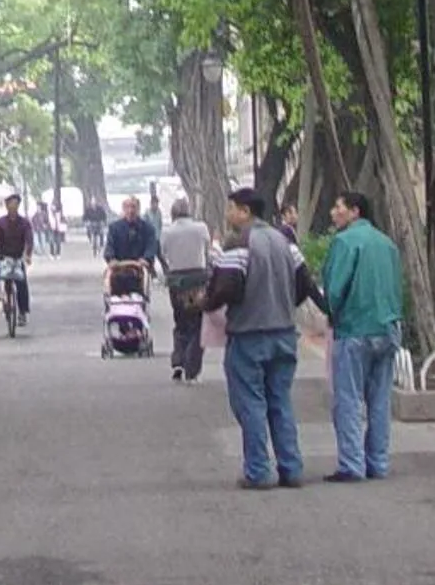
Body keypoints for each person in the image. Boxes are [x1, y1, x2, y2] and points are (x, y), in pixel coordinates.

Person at [203, 187, 308, 489]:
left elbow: (225, 288)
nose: (228, 214)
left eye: (231, 208)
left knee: (250, 403)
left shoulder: (239, 242)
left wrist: (204, 304)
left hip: (249, 335)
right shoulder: (285, 240)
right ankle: (291, 468)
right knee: (281, 401)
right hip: (285, 334)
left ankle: (258, 471)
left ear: (245, 211)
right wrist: (284, 305)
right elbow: (304, 284)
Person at [320, 189, 405, 481]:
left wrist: (332, 314)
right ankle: (378, 463)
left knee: (349, 398)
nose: (333, 212)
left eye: (338, 206)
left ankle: (352, 464)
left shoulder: (344, 242)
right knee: (380, 400)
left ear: (355, 211)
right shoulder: (387, 244)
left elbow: (334, 289)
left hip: (355, 328)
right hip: (387, 327)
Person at [157, 196, 214, 383]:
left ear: (173, 213)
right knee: (198, 324)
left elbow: (163, 253)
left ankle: (178, 361)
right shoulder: (201, 228)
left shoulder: (167, 232)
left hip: (177, 281)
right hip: (198, 280)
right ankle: (192, 368)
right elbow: (208, 251)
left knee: (181, 322)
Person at [0, 193, 36, 319]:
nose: (13, 207)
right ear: (7, 206)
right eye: (10, 204)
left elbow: (29, 240)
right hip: (2, 256)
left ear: (18, 206)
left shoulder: (24, 223)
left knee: (22, 283)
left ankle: (23, 311)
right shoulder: (0, 223)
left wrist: (28, 255)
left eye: (15, 204)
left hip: (17, 257)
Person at [104, 195, 161, 274]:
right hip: (119, 268)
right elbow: (109, 246)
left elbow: (151, 246)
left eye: (133, 207)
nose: (130, 211)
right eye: (127, 207)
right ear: (123, 209)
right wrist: (111, 259)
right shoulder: (114, 228)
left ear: (138, 209)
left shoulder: (148, 228)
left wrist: (146, 258)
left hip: (140, 267)